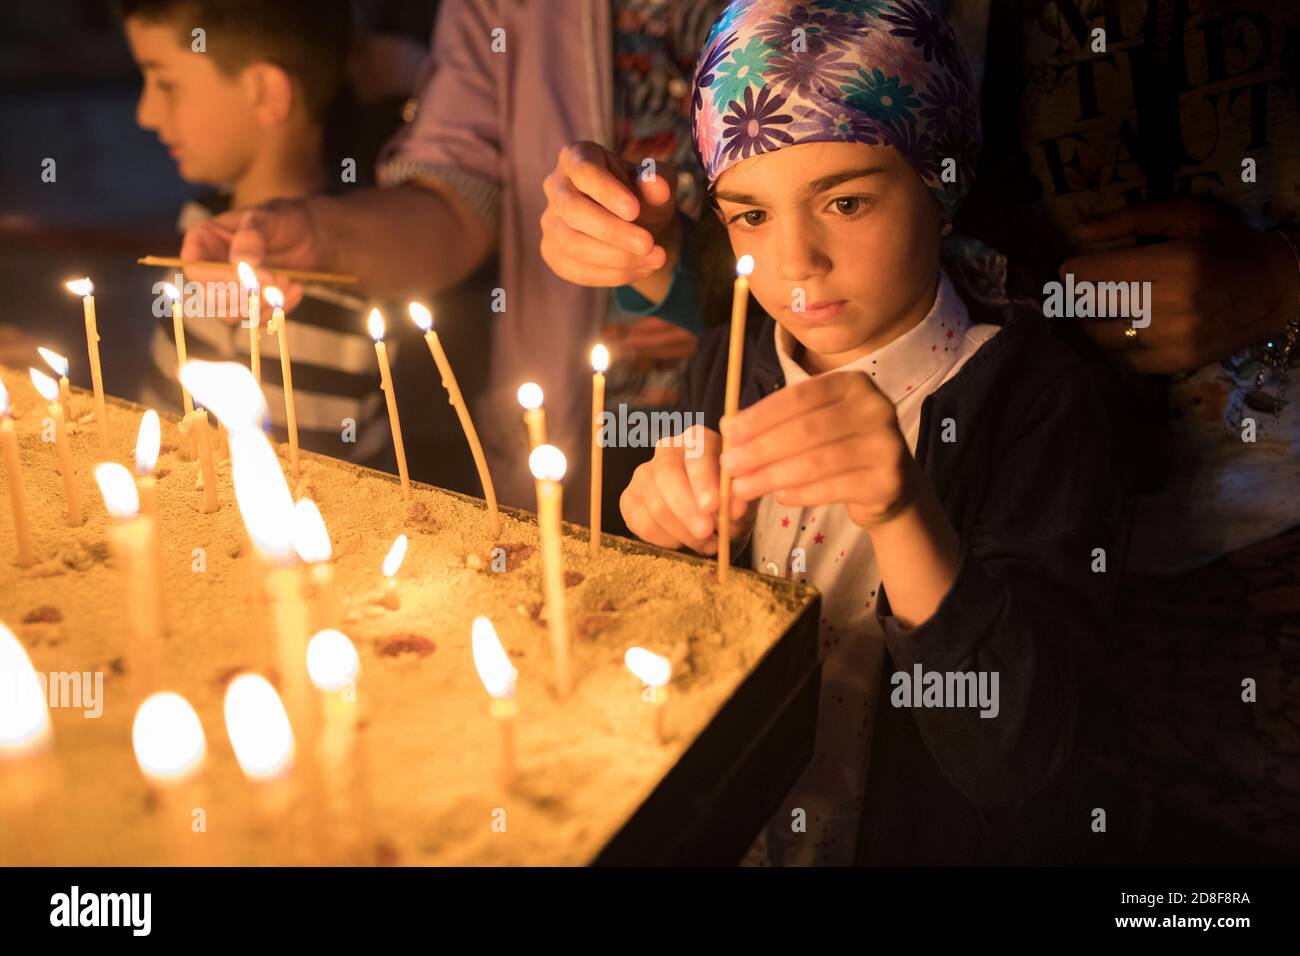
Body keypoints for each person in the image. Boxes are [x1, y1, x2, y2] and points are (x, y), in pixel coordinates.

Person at [618, 0, 1114, 865]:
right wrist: (666, 544)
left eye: (845, 201)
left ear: (941, 186)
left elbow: (1014, 757)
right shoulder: (724, 371)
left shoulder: (1034, 400)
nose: (794, 263)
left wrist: (902, 512)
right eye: (752, 215)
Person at [176, 0, 732, 524]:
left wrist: (725, 298)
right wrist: (319, 235)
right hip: (585, 438)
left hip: (776, 408)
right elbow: (456, 197)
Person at [119, 0, 394, 464]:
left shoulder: (342, 290)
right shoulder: (198, 222)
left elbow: (310, 485)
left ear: (264, 91)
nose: (145, 113)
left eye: (165, 83)